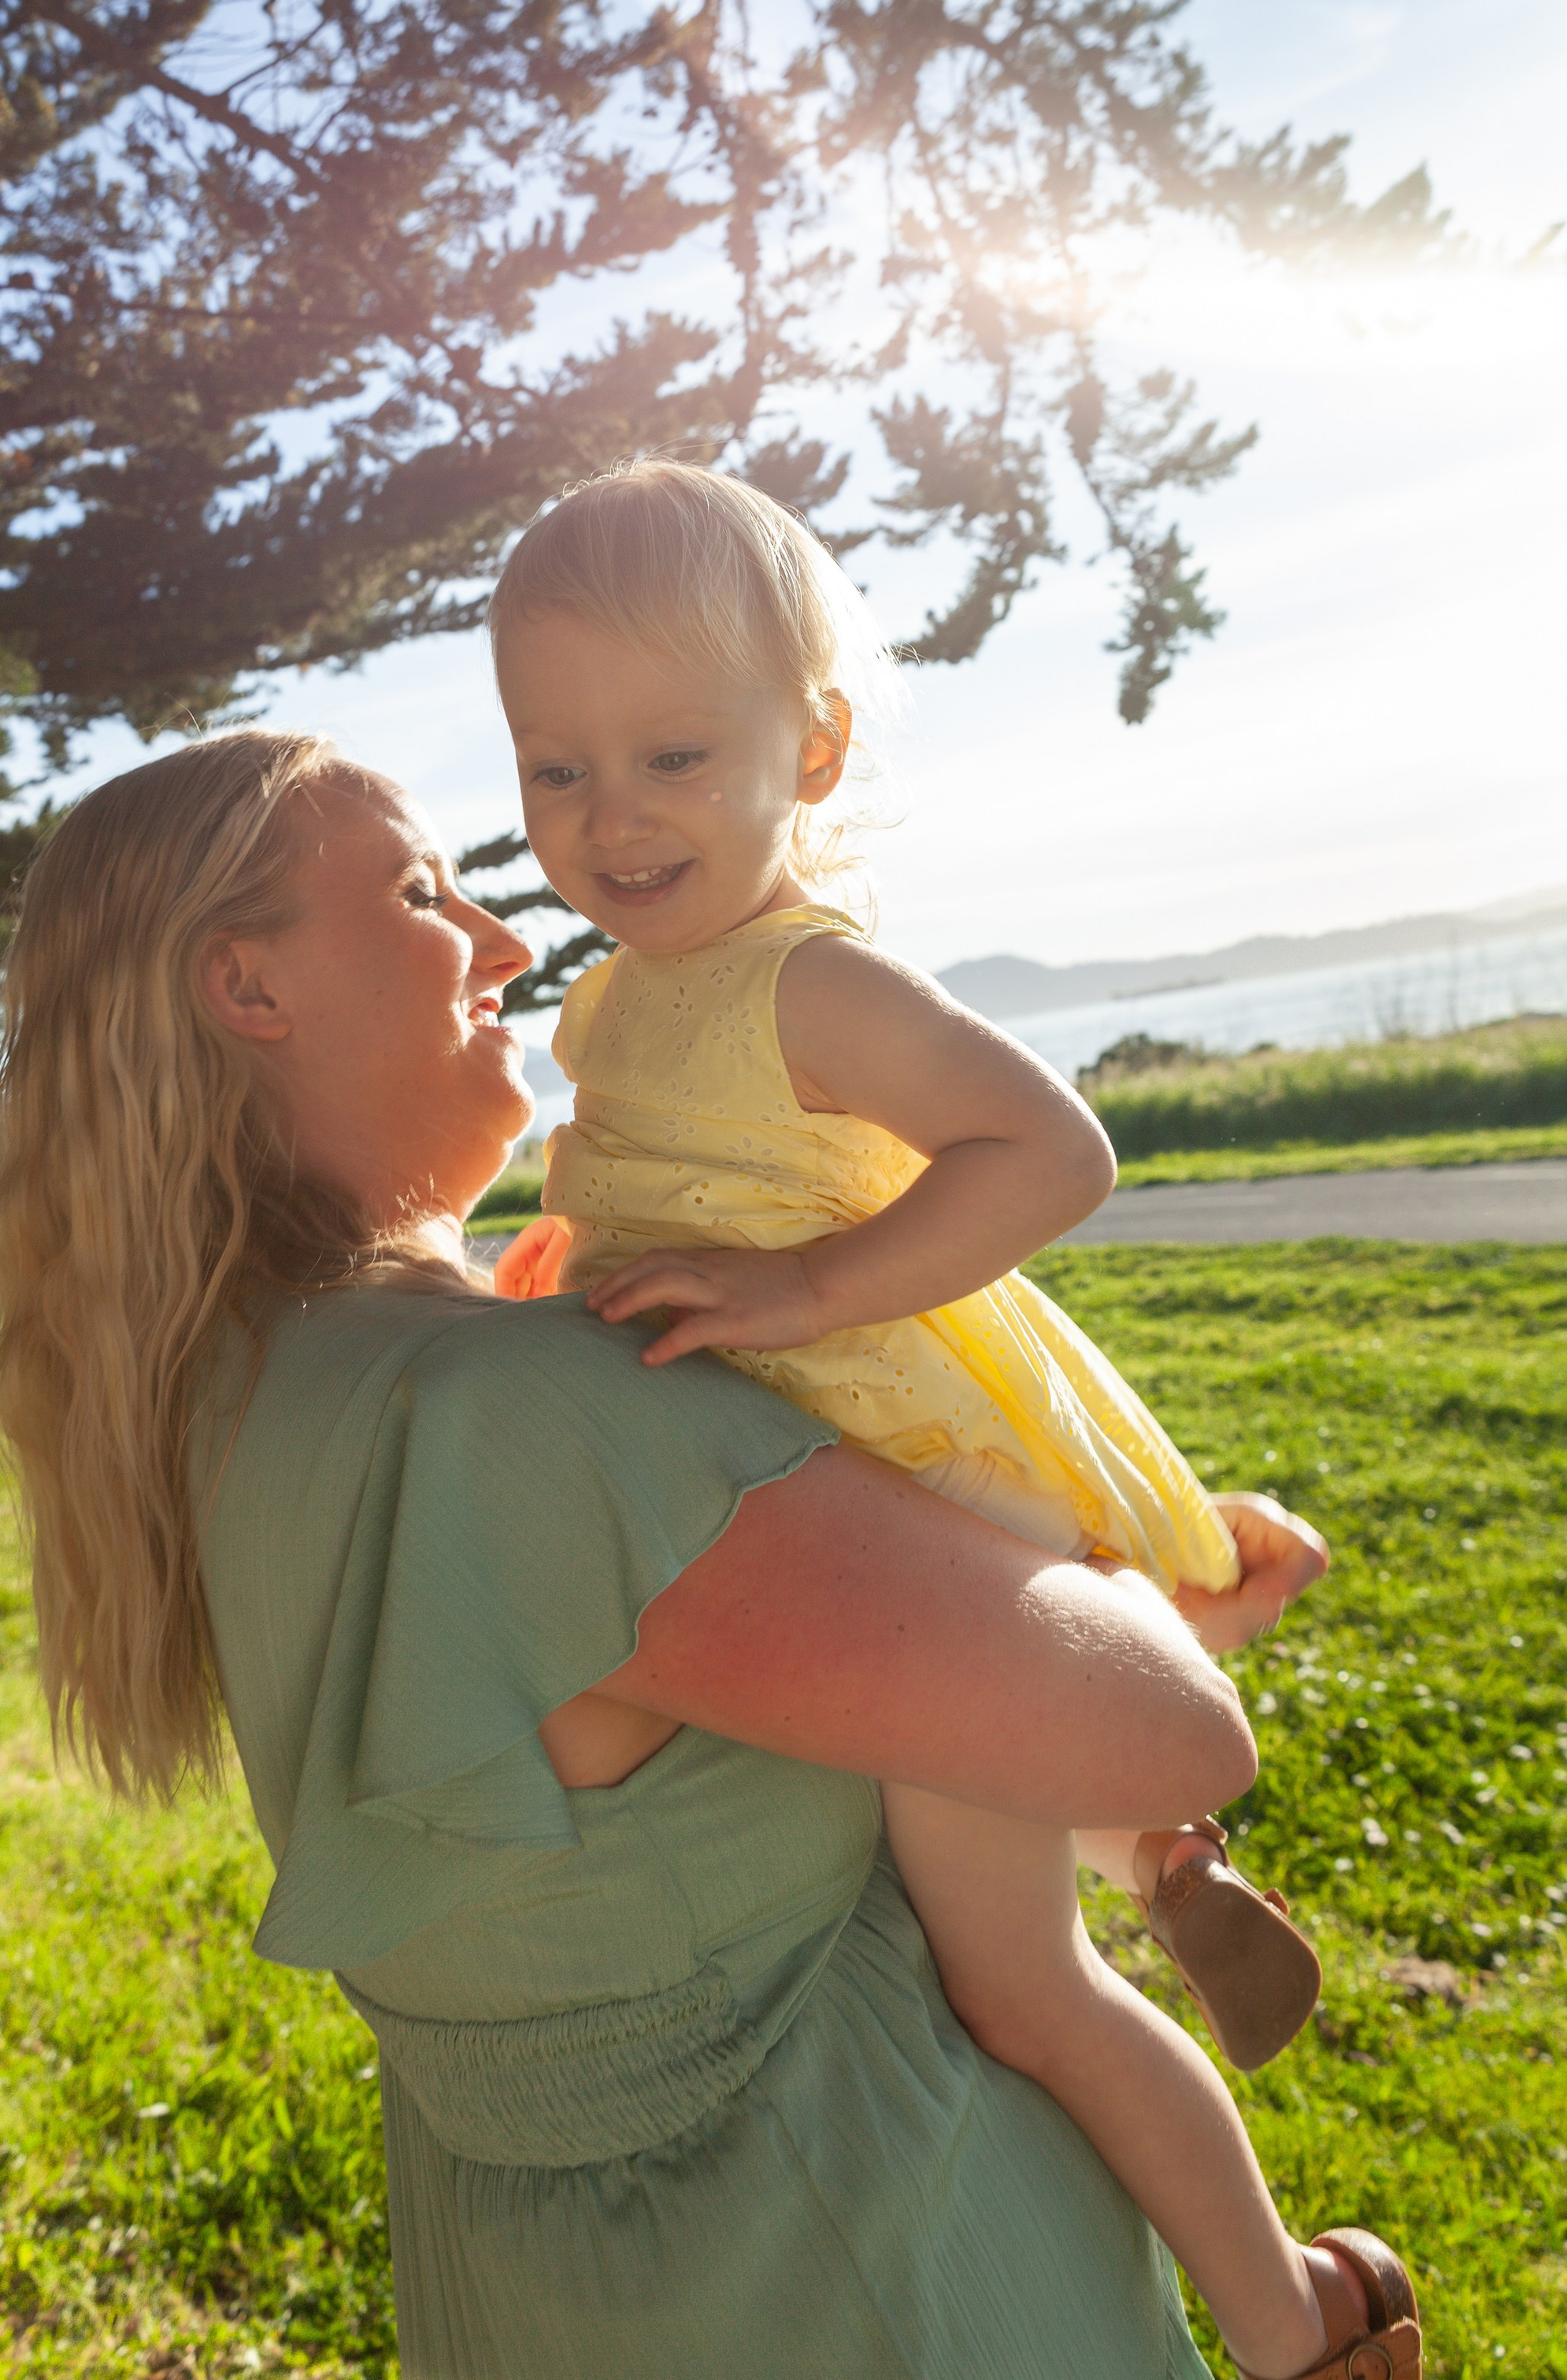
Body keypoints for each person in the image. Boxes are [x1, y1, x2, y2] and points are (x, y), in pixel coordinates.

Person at [0, 724, 1422, 2380]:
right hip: (844, 2255)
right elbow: (1171, 1736)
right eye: (421, 894)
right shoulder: (518, 1411)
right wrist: (1125, 1587)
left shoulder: (234, 1393)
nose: (504, 943)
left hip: (551, 2283)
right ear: (249, 986)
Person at [485, 460, 1421, 2380]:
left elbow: (1052, 1150)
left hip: (913, 1502)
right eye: (553, 768)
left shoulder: (807, 983)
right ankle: (1154, 1836)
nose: (609, 816)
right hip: (843, 1522)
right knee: (962, 1789)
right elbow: (659, 1195)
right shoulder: (618, 1000)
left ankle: (1300, 2320)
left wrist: (806, 1291)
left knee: (1018, 1993)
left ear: (812, 751)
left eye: (672, 756)